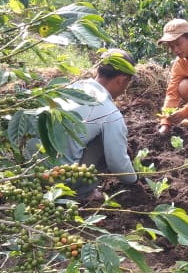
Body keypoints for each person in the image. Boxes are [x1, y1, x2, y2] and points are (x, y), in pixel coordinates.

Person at [59, 49, 139, 199]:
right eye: (127, 83)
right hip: (61, 184)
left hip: (34, 175)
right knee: (106, 144)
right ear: (121, 80)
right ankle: (83, 194)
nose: (124, 89)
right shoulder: (110, 112)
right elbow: (118, 164)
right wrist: (135, 181)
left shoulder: (73, 87)